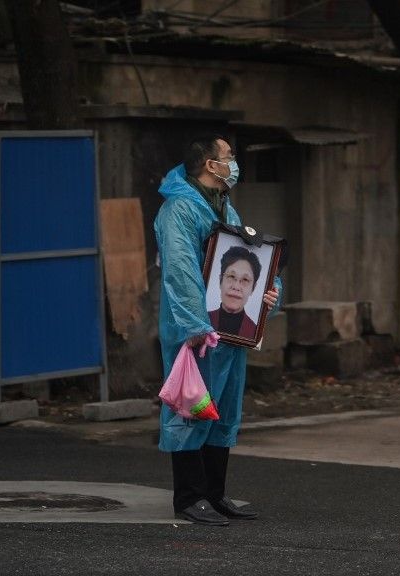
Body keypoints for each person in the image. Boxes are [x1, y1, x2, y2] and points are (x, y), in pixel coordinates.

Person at [154, 134, 281, 526]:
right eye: (229, 156)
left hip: (226, 330)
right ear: (211, 164)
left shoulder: (224, 208)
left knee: (223, 409)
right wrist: (195, 324)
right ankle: (190, 497)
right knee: (191, 406)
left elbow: (248, 260)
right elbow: (180, 269)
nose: (234, 162)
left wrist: (265, 297)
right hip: (196, 332)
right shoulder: (179, 209)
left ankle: (214, 493)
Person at [208, 246, 261, 338]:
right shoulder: (201, 323)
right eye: (231, 276)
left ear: (253, 288)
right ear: (220, 280)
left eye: (245, 279)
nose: (236, 287)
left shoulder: (254, 332)